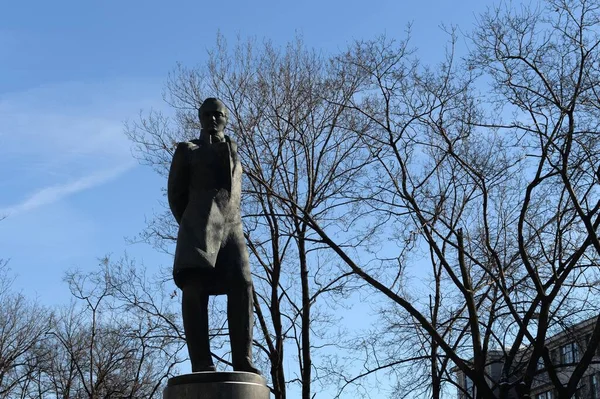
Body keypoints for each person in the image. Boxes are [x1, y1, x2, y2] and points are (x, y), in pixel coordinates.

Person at [168, 97, 259, 374]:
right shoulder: (188, 150)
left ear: (226, 119)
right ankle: (201, 362)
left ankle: (243, 359)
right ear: (199, 118)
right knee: (195, 289)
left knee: (243, 285)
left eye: (217, 115)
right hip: (198, 227)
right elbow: (176, 195)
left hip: (233, 229)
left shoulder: (233, 150)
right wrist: (195, 222)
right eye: (207, 114)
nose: (212, 119)